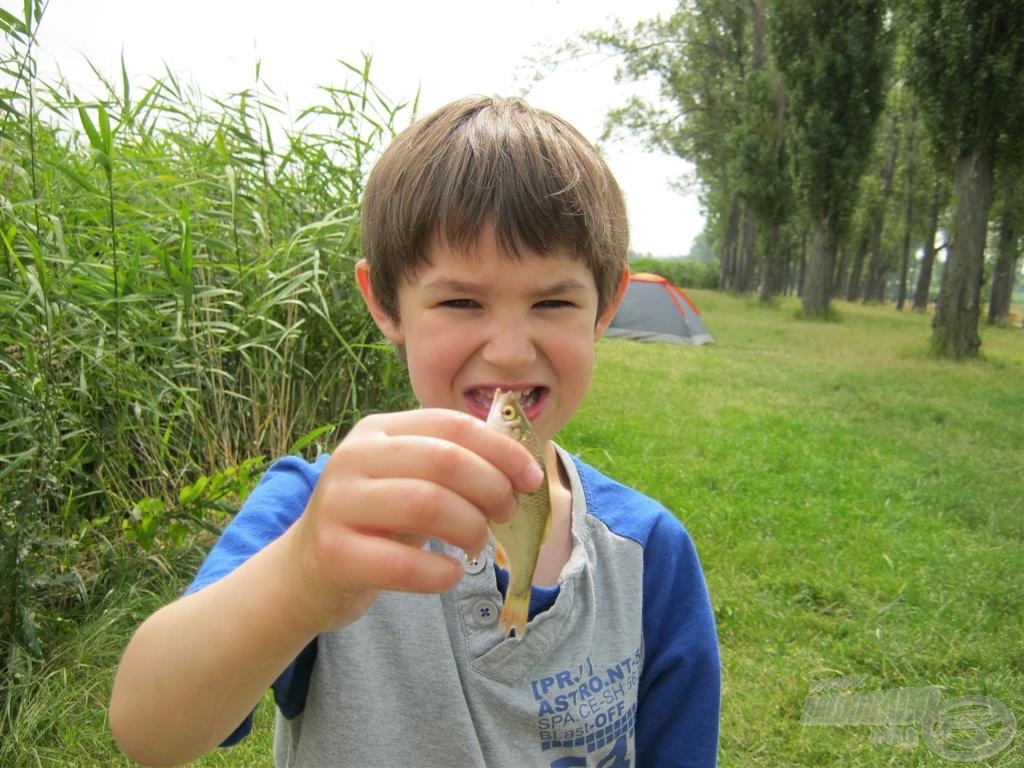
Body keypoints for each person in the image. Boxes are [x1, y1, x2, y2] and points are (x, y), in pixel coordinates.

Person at [109, 95, 720, 767]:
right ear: (385, 302)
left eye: (553, 301)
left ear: (604, 309)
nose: (512, 351)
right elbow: (149, 733)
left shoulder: (648, 555)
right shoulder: (318, 512)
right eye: (461, 301)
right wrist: (303, 577)